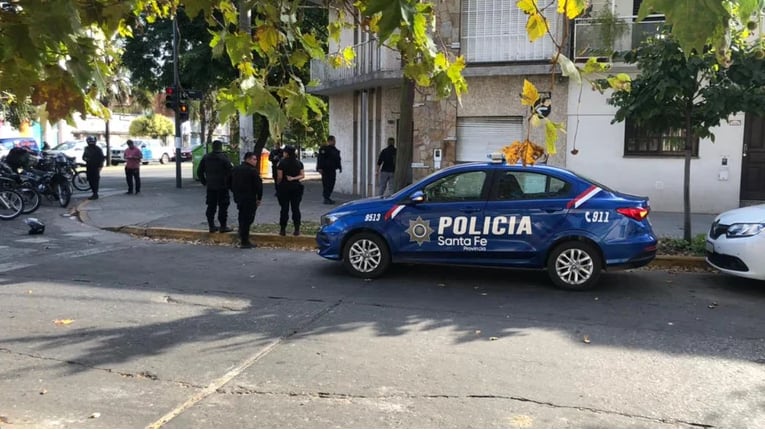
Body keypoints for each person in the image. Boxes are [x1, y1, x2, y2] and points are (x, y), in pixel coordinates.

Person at [197, 140, 233, 233]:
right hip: (222, 186)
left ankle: (211, 226)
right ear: (221, 147)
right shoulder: (224, 158)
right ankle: (223, 226)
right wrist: (230, 184)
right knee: (223, 207)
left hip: (211, 186)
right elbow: (231, 172)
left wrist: (205, 182)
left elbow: (199, 172)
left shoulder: (206, 157)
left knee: (211, 206)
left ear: (212, 147)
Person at [230, 151, 263, 249]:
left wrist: (234, 191)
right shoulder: (252, 171)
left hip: (239, 197)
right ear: (248, 159)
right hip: (249, 198)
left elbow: (228, 182)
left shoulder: (235, 169)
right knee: (248, 218)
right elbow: (259, 186)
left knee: (242, 216)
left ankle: (241, 233)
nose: (256, 161)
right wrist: (259, 198)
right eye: (254, 159)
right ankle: (244, 241)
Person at [276, 145, 305, 236]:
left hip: (284, 188)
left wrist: (278, 183)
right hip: (296, 187)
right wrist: (293, 178)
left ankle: (283, 229)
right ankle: (297, 229)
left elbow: (280, 177)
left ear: (287, 153)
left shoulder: (281, 163)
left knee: (284, 208)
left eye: (284, 152)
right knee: (295, 208)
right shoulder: (299, 163)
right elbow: (302, 175)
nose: (283, 153)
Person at [316, 135, 341, 204]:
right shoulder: (324, 149)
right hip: (326, 170)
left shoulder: (335, 150)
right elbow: (320, 159)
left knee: (332, 183)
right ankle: (326, 198)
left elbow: (338, 159)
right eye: (333, 141)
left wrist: (339, 167)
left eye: (334, 141)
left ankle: (328, 197)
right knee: (327, 184)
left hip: (332, 169)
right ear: (329, 141)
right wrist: (319, 168)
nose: (334, 142)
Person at [82, 136, 105, 200]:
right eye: (90, 142)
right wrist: (86, 159)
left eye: (92, 142)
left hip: (96, 167)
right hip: (89, 166)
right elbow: (84, 157)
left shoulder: (98, 149)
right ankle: (94, 192)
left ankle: (95, 193)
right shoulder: (86, 148)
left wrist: (100, 166)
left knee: (95, 180)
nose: (91, 143)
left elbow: (102, 158)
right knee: (90, 179)